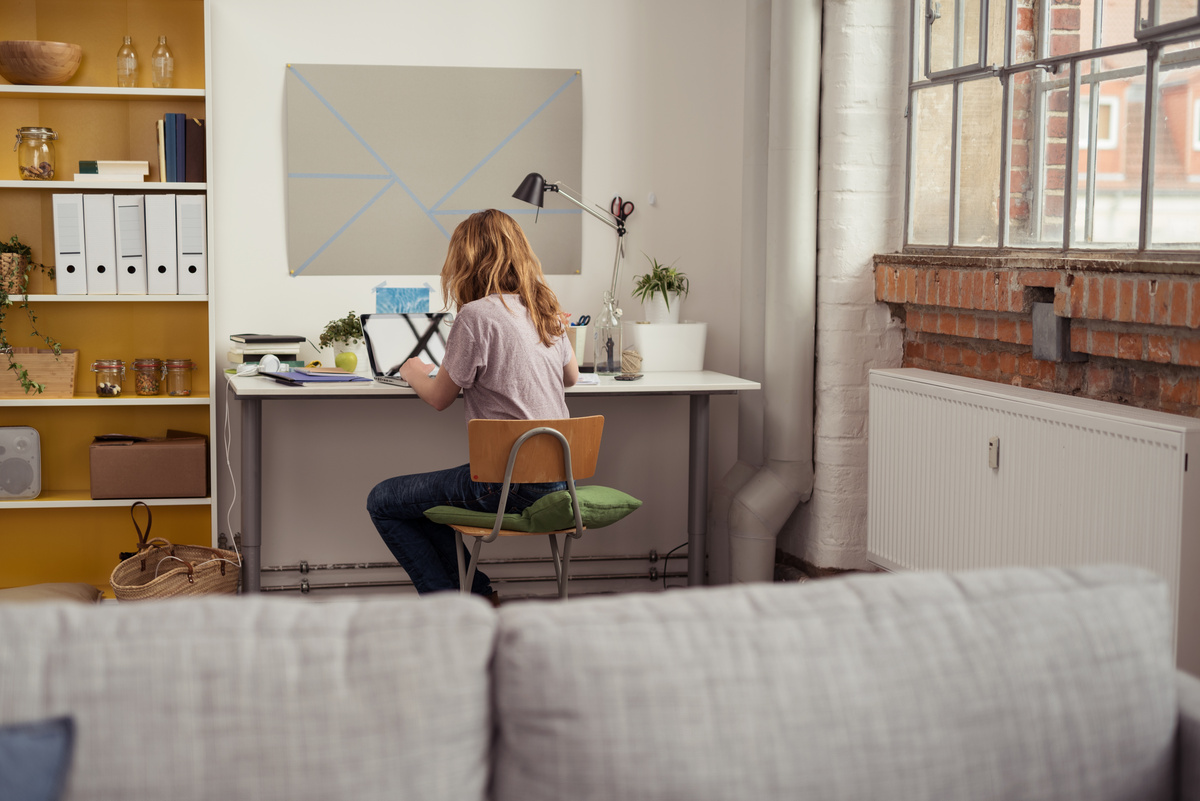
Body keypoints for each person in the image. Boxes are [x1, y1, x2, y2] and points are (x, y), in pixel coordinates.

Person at [367, 209, 580, 599]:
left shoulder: (476, 316)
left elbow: (439, 398)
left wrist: (413, 370)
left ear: (465, 262)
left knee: (383, 500)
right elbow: (571, 377)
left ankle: (453, 605)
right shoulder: (545, 309)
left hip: (502, 487)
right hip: (558, 481)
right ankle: (477, 594)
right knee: (421, 502)